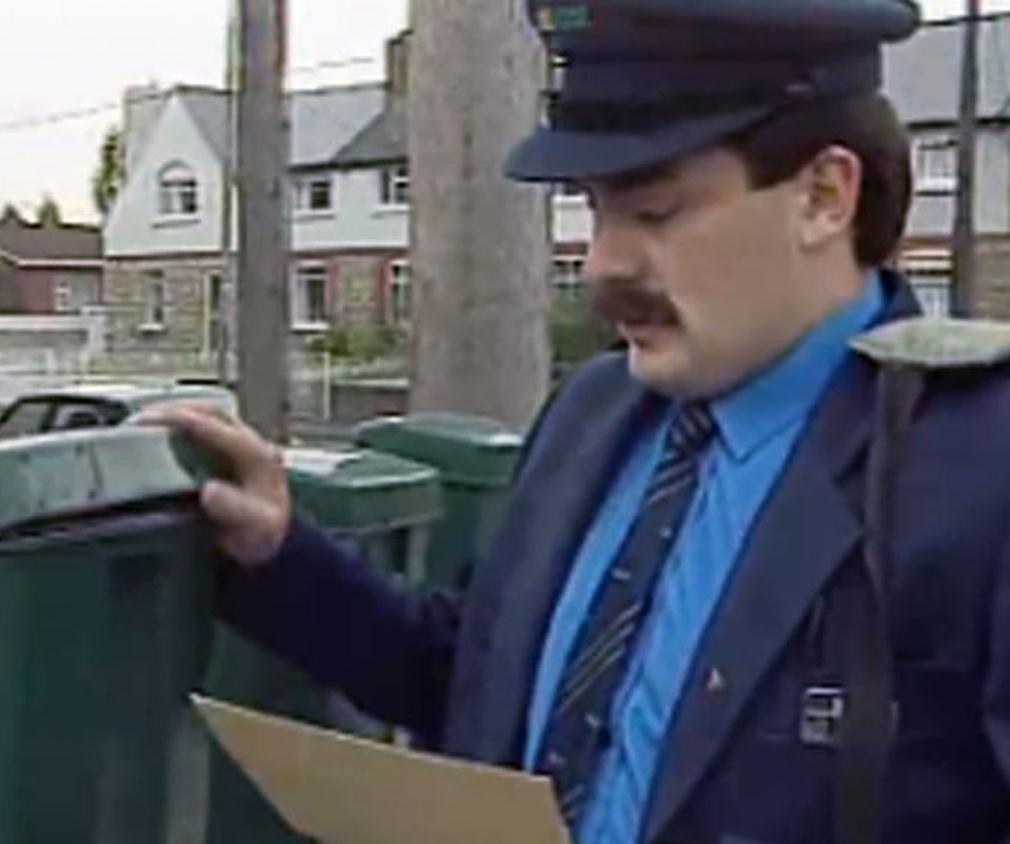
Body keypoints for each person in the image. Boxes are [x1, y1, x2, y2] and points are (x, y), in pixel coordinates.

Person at [141, 0, 1010, 842]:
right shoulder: (592, 416)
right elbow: (477, 686)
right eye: (595, 210)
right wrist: (280, 555)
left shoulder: (978, 463)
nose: (602, 265)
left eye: (655, 212)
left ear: (823, 195)